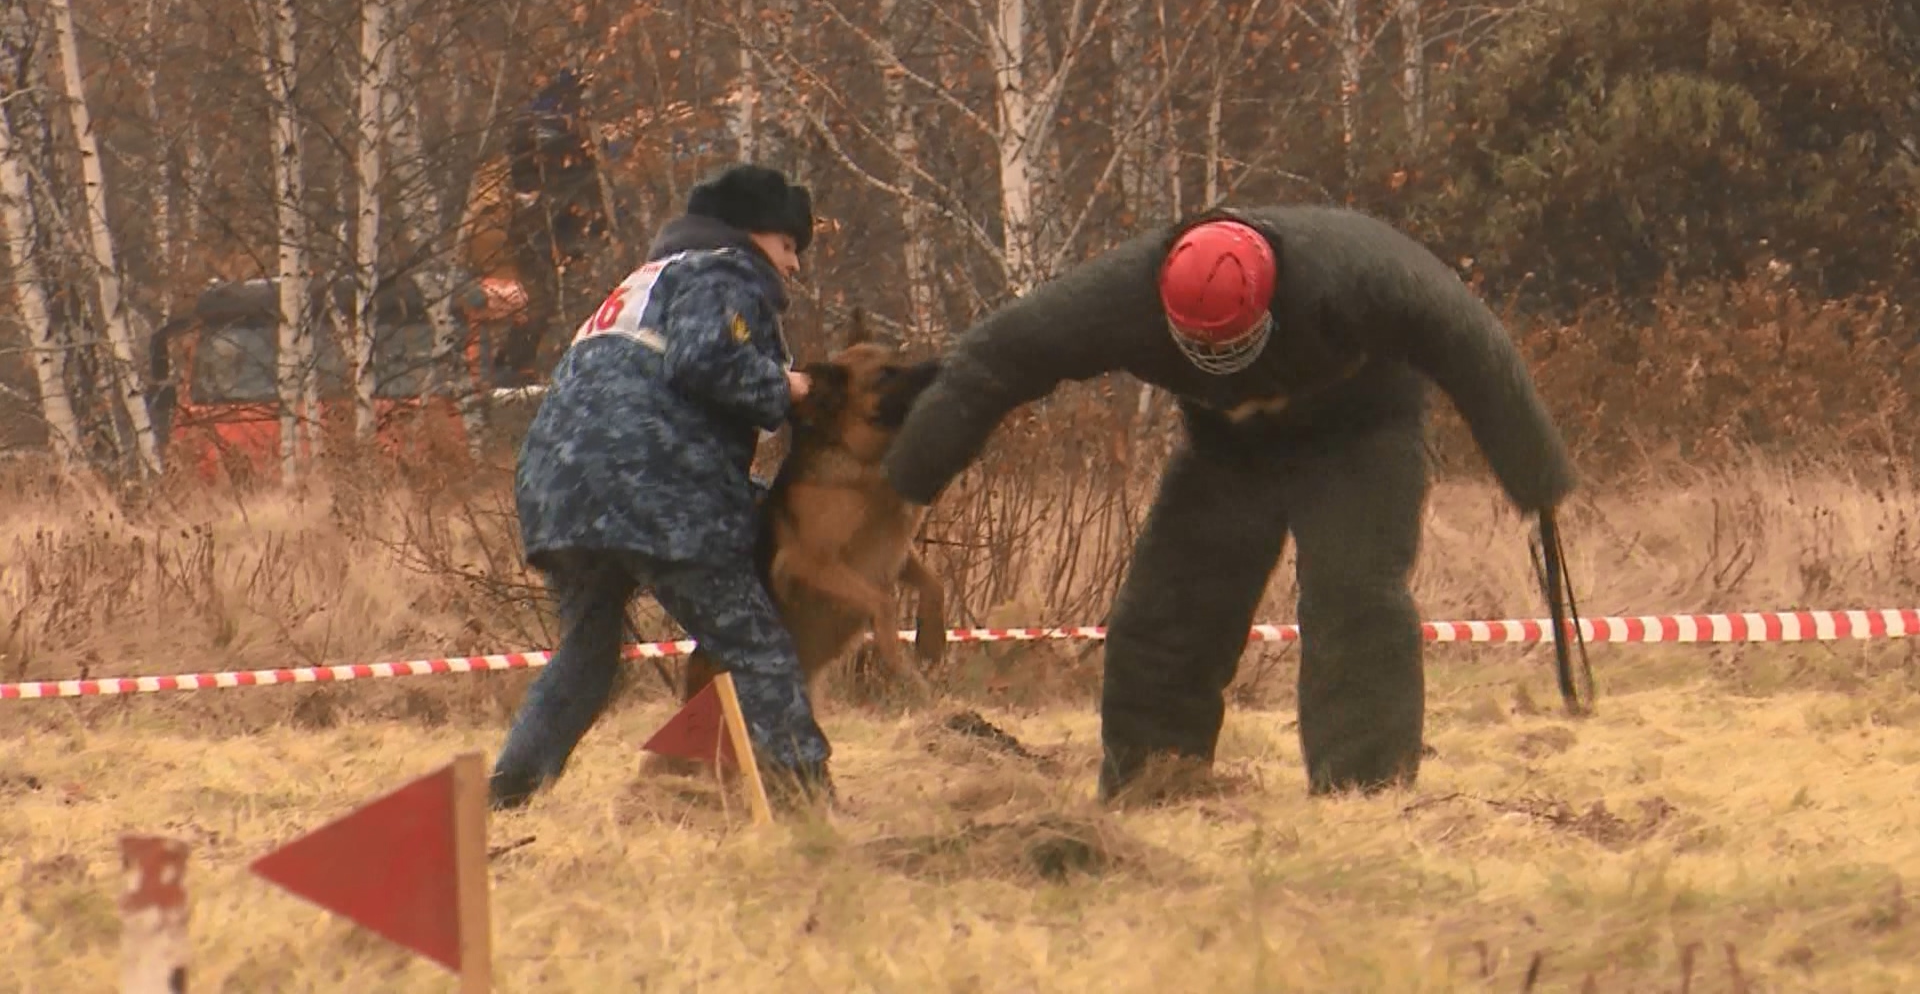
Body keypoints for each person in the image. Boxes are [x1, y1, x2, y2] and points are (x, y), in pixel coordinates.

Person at [880, 204, 1582, 802]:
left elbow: (1476, 348)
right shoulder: (1121, 296)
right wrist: (903, 488)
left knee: (1353, 599)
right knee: (1163, 616)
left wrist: (1536, 477)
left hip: (1360, 433)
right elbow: (988, 365)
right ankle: (1153, 787)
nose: (1226, 357)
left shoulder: (1361, 271)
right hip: (1228, 447)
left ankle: (1363, 798)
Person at [490, 162, 833, 813]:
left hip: (558, 491)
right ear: (755, 234)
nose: (793, 268)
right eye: (791, 248)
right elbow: (706, 360)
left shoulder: (643, 283)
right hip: (656, 488)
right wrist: (788, 389)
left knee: (589, 652)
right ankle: (808, 805)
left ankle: (507, 794)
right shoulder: (723, 269)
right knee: (756, 645)